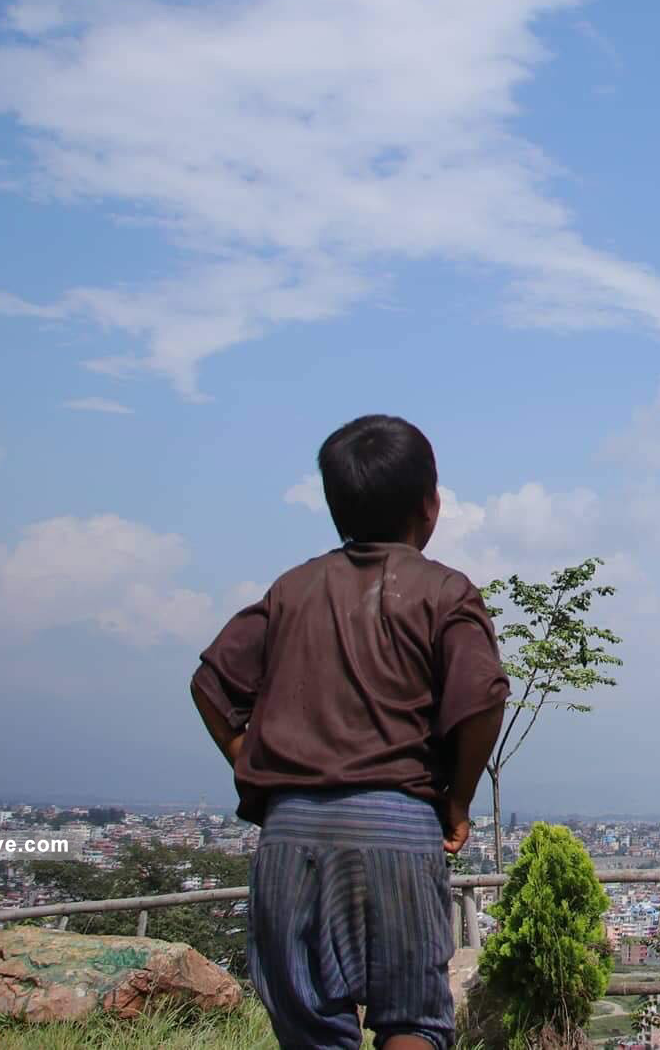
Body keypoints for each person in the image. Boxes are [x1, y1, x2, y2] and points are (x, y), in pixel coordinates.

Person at [192, 415, 508, 1050]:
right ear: (431, 505)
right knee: (414, 1018)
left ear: (335, 507)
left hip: (291, 835)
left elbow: (212, 685)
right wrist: (459, 800)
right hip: (398, 823)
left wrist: (251, 762)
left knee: (310, 1023)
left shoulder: (292, 589)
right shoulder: (444, 592)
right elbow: (481, 699)